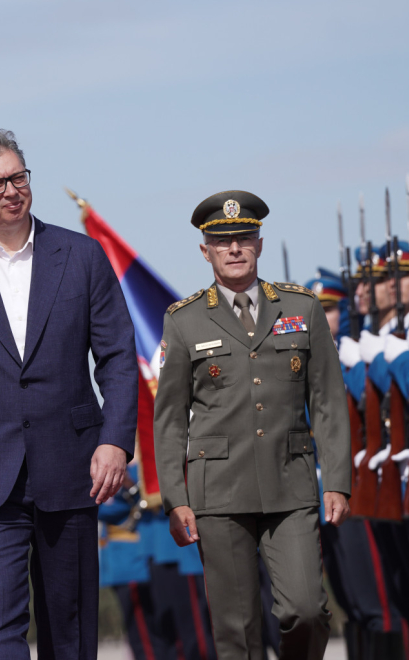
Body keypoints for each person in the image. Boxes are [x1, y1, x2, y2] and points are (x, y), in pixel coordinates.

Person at [0, 129, 138, 660]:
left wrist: (115, 441)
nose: (11, 190)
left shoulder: (82, 256)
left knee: (70, 621)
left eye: (18, 177)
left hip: (74, 463)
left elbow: (119, 357)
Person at [153, 190, 351, 660]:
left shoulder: (302, 309)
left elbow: (327, 400)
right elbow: (169, 419)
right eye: (223, 242)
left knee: (306, 609)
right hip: (218, 490)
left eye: (244, 238)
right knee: (236, 631)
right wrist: (175, 500)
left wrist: (338, 480)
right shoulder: (184, 321)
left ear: (260, 244)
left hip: (291, 484)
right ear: (206, 251)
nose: (235, 248)